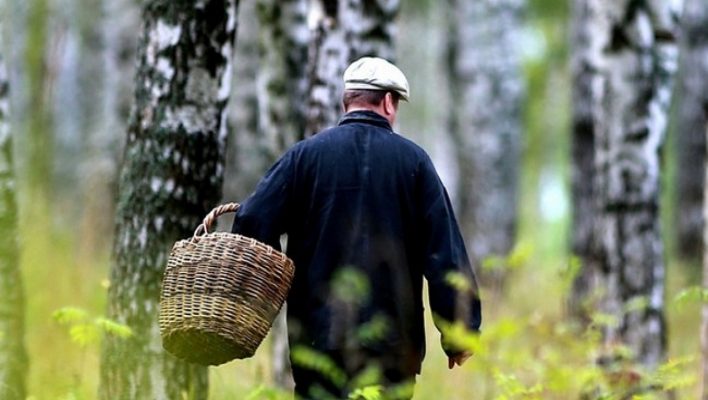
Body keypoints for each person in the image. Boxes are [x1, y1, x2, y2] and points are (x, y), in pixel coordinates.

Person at [232, 57, 481, 400]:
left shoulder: (303, 157)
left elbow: (250, 220)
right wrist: (459, 332)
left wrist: (265, 292)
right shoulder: (415, 163)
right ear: (389, 101)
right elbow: (444, 254)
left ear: (346, 100)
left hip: (317, 341)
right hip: (393, 348)